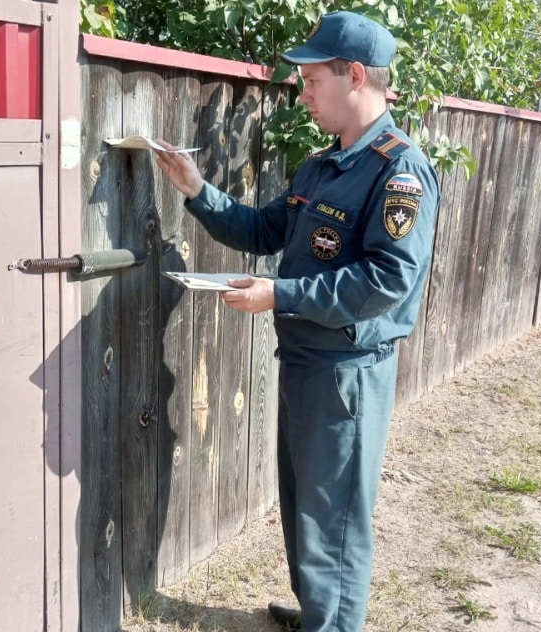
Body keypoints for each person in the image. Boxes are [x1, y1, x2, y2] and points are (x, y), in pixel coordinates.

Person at [154, 10, 441, 632]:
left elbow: (387, 283)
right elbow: (265, 230)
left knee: (333, 515)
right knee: (306, 506)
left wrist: (280, 295)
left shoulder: (399, 171)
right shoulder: (320, 166)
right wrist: (198, 189)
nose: (302, 92)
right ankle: (321, 611)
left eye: (312, 80)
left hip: (347, 373)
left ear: (356, 76)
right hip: (307, 364)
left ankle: (333, 623)